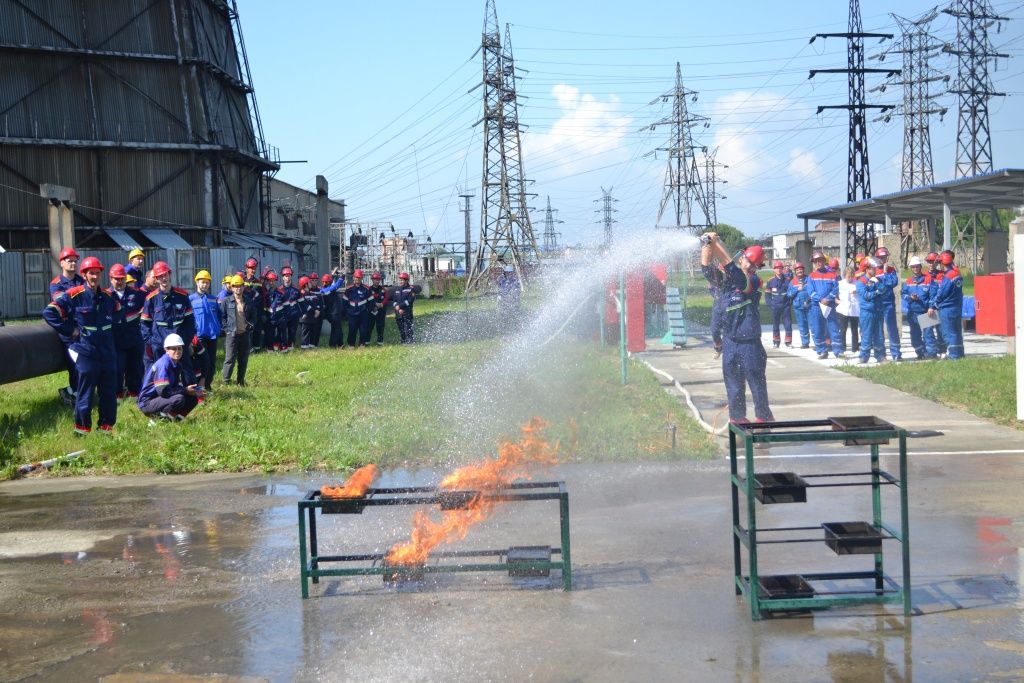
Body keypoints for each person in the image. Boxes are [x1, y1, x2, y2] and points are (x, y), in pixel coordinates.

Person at [42, 256, 120, 435]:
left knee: (108, 393)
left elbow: (117, 314)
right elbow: (49, 312)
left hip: (107, 353)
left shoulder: (108, 296)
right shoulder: (74, 295)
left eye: (97, 273)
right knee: (85, 392)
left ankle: (106, 428)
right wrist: (70, 331)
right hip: (87, 352)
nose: (94, 276)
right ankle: (82, 429)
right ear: (84, 275)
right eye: (91, 273)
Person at [704, 232, 773, 423]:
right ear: (741, 257)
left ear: (758, 267)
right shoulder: (725, 285)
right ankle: (738, 421)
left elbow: (733, 270)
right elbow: (707, 270)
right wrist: (706, 245)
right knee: (734, 387)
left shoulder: (752, 281)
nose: (749, 266)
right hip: (731, 342)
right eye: (747, 261)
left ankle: (764, 421)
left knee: (756, 385)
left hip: (750, 344)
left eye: (754, 265)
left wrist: (717, 241)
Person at [141, 261, 196, 383]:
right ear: (156, 278)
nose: (164, 278)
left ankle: (193, 397)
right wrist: (153, 342)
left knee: (187, 372)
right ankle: (164, 398)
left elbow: (190, 322)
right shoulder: (151, 299)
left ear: (170, 274)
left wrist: (185, 341)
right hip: (160, 346)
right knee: (162, 374)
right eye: (160, 276)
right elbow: (145, 324)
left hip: (180, 345)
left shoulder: (182, 296)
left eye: (165, 274)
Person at [48, 246, 86, 405]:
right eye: (69, 261)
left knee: (86, 364)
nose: (73, 264)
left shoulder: (82, 281)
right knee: (75, 365)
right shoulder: (56, 284)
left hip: (84, 329)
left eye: (75, 261)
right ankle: (76, 395)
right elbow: (63, 304)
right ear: (61, 263)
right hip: (69, 332)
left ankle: (72, 392)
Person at [137, 333, 202, 420]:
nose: (178, 351)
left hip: (159, 399)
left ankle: (174, 421)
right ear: (166, 350)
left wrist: (194, 390)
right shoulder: (164, 364)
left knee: (193, 399)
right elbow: (163, 391)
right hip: (147, 403)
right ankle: (157, 421)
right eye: (174, 349)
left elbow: (173, 387)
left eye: (180, 348)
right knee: (179, 398)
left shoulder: (176, 364)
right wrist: (185, 390)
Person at [109, 263, 146, 398]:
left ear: (126, 278)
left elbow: (151, 301)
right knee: (117, 368)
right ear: (111, 279)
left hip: (134, 339)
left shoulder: (137, 294)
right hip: (116, 341)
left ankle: (134, 393)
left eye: (122, 278)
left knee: (136, 368)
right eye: (116, 279)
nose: (119, 282)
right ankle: (118, 394)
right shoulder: (106, 296)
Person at [219, 275, 255, 386]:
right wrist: (226, 330)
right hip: (232, 335)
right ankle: (225, 382)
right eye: (235, 286)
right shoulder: (226, 301)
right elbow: (222, 317)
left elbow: (254, 316)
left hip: (244, 334)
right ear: (232, 287)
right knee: (229, 359)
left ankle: (240, 382)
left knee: (243, 360)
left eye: (240, 286)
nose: (238, 288)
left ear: (243, 287)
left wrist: (251, 325)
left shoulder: (248, 301)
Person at [807, 251, 843, 359]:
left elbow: (837, 288)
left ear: (824, 261)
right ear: (814, 263)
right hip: (817, 306)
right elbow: (810, 291)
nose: (819, 263)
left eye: (821, 260)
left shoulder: (832, 275)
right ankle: (822, 351)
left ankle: (838, 351)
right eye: (816, 261)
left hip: (830, 305)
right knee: (818, 329)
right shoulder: (811, 276)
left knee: (833, 327)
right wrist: (820, 299)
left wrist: (828, 298)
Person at [190, 270, 221, 391]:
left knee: (212, 362)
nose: (205, 285)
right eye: (202, 282)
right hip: (199, 336)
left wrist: (218, 328)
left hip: (212, 335)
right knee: (202, 361)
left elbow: (219, 314)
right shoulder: (190, 299)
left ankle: (207, 385)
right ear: (197, 282)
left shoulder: (213, 299)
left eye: (207, 283)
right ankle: (198, 385)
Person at [930, 250, 964, 359]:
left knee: (948, 333)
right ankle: (959, 354)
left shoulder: (948, 276)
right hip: (956, 307)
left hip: (946, 308)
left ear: (942, 263)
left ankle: (954, 355)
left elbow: (942, 292)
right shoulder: (956, 273)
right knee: (956, 332)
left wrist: (933, 306)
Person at [902, 256, 937, 360]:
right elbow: (903, 294)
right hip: (913, 313)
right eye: (913, 267)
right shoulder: (908, 281)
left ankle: (932, 354)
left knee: (928, 335)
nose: (915, 269)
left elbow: (933, 295)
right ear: (911, 268)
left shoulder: (928, 280)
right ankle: (921, 353)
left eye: (917, 267)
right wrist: (910, 297)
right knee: (915, 336)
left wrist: (931, 307)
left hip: (926, 312)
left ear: (920, 267)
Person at [855, 257, 889, 364]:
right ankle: (864, 357)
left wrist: (877, 284)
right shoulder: (861, 281)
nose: (875, 270)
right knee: (866, 334)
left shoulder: (877, 279)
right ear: (867, 269)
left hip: (878, 311)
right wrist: (877, 292)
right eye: (872, 268)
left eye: (875, 268)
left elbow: (884, 290)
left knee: (879, 335)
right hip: (867, 312)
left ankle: (881, 356)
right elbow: (866, 295)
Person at [872, 246, 902, 361]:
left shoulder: (891, 270)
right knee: (878, 330)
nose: (883, 260)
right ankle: (880, 354)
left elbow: (893, 283)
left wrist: (885, 273)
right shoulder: (873, 270)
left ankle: (896, 353)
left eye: (885, 257)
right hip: (877, 303)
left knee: (892, 329)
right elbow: (874, 285)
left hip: (888, 303)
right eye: (881, 257)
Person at [699, 239, 727, 358]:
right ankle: (718, 347)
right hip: (717, 307)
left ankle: (728, 349)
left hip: (727, 306)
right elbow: (707, 269)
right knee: (714, 330)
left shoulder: (729, 278)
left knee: (728, 330)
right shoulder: (714, 281)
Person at [764, 261, 792, 348]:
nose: (779, 270)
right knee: (775, 324)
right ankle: (776, 341)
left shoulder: (787, 281)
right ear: (774, 270)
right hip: (775, 306)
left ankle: (788, 342)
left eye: (780, 268)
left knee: (787, 324)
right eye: (777, 268)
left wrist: (789, 303)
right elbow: (767, 294)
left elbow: (791, 293)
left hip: (785, 306)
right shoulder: (770, 281)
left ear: (782, 269)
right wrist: (770, 304)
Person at [342, 269, 372, 347]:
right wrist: (347, 312)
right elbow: (344, 302)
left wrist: (367, 310)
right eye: (356, 277)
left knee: (363, 330)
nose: (357, 279)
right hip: (352, 313)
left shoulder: (366, 289)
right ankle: (351, 344)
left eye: (359, 278)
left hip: (363, 313)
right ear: (353, 278)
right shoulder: (349, 289)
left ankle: (362, 344)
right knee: (352, 329)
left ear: (362, 278)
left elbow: (371, 302)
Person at [925, 251, 948, 356]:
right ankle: (931, 352)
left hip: (939, 307)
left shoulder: (942, 275)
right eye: (929, 262)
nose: (931, 264)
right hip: (927, 308)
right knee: (928, 331)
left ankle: (942, 350)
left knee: (941, 330)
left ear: (937, 263)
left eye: (933, 262)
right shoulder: (924, 276)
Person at [835, 266, 860, 355]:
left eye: (851, 276)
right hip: (843, 308)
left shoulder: (857, 283)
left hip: (854, 309)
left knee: (854, 329)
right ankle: (842, 347)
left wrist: (857, 292)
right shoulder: (840, 283)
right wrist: (836, 300)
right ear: (844, 275)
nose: (850, 278)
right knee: (843, 329)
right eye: (848, 276)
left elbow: (861, 292)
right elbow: (835, 293)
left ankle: (855, 347)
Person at [242, 258, 266, 351]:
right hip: (245, 310)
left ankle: (257, 349)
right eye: (251, 268)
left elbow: (262, 298)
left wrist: (263, 313)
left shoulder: (259, 283)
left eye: (254, 268)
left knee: (257, 330)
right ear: (246, 268)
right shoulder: (241, 281)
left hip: (257, 311)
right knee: (246, 330)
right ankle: (248, 349)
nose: (253, 270)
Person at [786, 262, 812, 349]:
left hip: (809, 306)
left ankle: (818, 343)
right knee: (802, 325)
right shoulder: (792, 282)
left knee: (813, 324)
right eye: (797, 270)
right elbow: (789, 294)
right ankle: (805, 343)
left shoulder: (809, 279)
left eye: (801, 269)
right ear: (795, 271)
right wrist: (797, 289)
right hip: (798, 307)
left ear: (803, 270)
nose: (799, 271)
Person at [320, 271, 346, 348]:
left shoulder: (323, 289)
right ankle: (332, 345)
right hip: (333, 313)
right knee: (336, 329)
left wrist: (333, 274)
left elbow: (331, 284)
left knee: (339, 329)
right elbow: (336, 285)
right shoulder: (328, 290)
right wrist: (342, 277)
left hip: (334, 312)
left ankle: (340, 344)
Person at [297, 276, 322, 349]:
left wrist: (318, 309)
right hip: (306, 318)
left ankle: (312, 346)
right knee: (305, 333)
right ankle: (304, 347)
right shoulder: (302, 294)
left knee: (312, 332)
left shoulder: (311, 293)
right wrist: (315, 310)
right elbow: (306, 305)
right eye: (309, 282)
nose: (311, 283)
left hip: (312, 317)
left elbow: (316, 302)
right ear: (305, 284)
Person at [280, 266, 301, 351]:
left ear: (291, 276)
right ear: (282, 277)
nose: (287, 278)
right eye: (285, 276)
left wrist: (302, 313)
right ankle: (284, 347)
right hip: (283, 315)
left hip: (294, 314)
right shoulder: (280, 290)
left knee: (292, 332)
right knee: (283, 332)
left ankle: (291, 346)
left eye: (289, 276)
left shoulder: (296, 289)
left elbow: (301, 302)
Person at [394, 272, 417, 344]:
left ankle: (410, 341)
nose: (400, 281)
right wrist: (396, 307)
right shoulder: (397, 289)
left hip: (407, 312)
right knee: (401, 327)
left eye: (402, 280)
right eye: (399, 280)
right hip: (398, 312)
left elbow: (410, 301)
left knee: (407, 327)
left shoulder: (411, 289)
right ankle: (403, 340)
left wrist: (401, 307)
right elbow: (394, 300)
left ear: (406, 281)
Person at [368, 272, 390, 345]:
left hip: (381, 311)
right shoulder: (369, 289)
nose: (377, 281)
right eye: (375, 279)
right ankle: (367, 341)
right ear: (372, 280)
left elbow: (386, 298)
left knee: (380, 326)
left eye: (378, 280)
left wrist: (382, 304)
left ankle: (380, 341)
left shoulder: (383, 289)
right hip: (371, 311)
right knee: (369, 326)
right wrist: (374, 304)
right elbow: (367, 299)